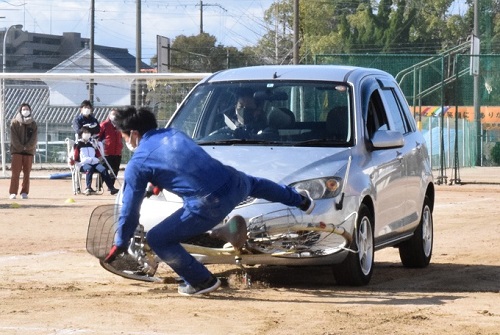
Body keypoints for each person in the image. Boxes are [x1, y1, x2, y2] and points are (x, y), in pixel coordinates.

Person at [104, 106, 314, 296]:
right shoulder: (173, 133)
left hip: (207, 204)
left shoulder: (138, 162)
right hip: (233, 182)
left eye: (123, 136)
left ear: (133, 134)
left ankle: (201, 281)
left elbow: (130, 209)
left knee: (159, 238)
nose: (125, 141)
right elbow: (182, 162)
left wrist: (121, 242)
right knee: (257, 184)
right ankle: (301, 200)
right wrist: (159, 180)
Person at [72, 126, 119, 196]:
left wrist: (97, 146)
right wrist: (75, 163)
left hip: (94, 162)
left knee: (103, 169)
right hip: (83, 164)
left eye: (88, 133)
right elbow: (75, 156)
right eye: (85, 132)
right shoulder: (78, 144)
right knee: (89, 168)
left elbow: (98, 154)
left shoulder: (92, 143)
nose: (87, 134)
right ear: (81, 134)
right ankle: (88, 188)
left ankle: (111, 188)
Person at [9, 103, 38, 200]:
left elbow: (34, 139)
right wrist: (21, 147)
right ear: (20, 111)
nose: (25, 111)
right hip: (16, 151)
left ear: (30, 111)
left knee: (27, 173)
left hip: (29, 152)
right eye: (24, 109)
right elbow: (13, 138)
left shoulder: (33, 124)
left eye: (27, 109)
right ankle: (13, 192)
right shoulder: (14, 122)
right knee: (15, 173)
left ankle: (24, 192)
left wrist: (27, 147)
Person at [98, 109, 123, 189]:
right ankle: (98, 186)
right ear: (109, 115)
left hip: (117, 152)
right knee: (103, 169)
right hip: (106, 152)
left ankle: (111, 187)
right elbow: (98, 136)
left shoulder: (119, 125)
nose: (115, 116)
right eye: (113, 114)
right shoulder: (104, 124)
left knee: (115, 170)